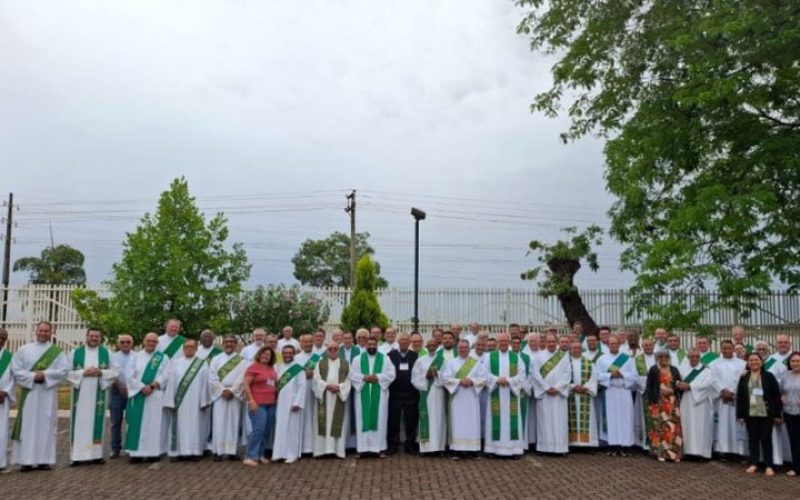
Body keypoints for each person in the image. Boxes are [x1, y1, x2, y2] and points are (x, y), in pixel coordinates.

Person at [10, 321, 69, 471]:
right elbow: (16, 370)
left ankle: (44, 460)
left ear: (51, 333)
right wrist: (33, 377)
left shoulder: (57, 352)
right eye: (41, 330)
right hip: (29, 393)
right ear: (36, 331)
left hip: (48, 394)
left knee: (46, 426)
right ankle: (26, 461)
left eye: (46, 331)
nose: (43, 333)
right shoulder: (24, 350)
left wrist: (45, 375)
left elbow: (64, 371)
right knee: (28, 425)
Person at [67, 328, 118, 465]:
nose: (94, 338)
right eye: (92, 336)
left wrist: (101, 372)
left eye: (97, 336)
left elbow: (115, 372)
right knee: (80, 423)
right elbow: (66, 372)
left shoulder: (106, 353)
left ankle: (96, 455)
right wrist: (83, 372)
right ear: (86, 336)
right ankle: (77, 456)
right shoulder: (75, 352)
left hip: (98, 395)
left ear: (100, 338)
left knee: (97, 423)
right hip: (81, 395)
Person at [125, 332, 169, 462]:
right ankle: (135, 454)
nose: (151, 343)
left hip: (155, 395)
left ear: (157, 343)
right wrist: (141, 387)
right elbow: (129, 375)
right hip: (139, 394)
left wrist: (153, 385)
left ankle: (152, 453)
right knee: (135, 424)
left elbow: (166, 374)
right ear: (144, 341)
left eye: (154, 342)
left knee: (154, 424)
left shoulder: (163, 357)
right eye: (149, 341)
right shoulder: (135, 357)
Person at [736, 352, 782, 476]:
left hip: (766, 413)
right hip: (750, 413)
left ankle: (768, 465)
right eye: (751, 360)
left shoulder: (769, 376)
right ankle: (753, 463)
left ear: (761, 362)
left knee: (766, 439)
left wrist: (777, 414)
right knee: (753, 439)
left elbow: (776, 395)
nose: (754, 362)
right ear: (748, 363)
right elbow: (740, 397)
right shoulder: (744, 377)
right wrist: (740, 415)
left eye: (756, 360)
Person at [164, 339, 210, 460]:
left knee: (196, 426)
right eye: (186, 347)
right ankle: (177, 453)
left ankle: (194, 452)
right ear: (183, 349)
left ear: (196, 349)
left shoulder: (202, 364)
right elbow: (171, 383)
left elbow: (206, 384)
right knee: (179, 426)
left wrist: (204, 400)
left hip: (196, 402)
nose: (189, 349)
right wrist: (169, 400)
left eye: (192, 347)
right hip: (179, 402)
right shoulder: (176, 363)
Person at [350, 337, 396, 457]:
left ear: (377, 345)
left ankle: (380, 449)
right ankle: (362, 449)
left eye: (374, 344)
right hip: (362, 395)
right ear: (366, 345)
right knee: (361, 419)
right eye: (369, 344)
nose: (371, 346)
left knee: (380, 419)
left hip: (379, 395)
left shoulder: (385, 359)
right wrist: (363, 377)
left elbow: (392, 373)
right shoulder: (357, 359)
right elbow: (352, 374)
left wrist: (378, 377)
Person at [483, 332, 526, 457]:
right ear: (497, 343)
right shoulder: (489, 357)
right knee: (494, 419)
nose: (503, 344)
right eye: (501, 341)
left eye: (505, 341)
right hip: (495, 392)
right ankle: (492, 449)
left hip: (510, 393)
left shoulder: (516, 357)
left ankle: (514, 450)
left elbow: (522, 374)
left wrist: (509, 380)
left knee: (511, 420)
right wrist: (497, 379)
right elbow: (484, 373)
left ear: (509, 343)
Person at [442, 339, 486, 458]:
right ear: (457, 349)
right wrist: (459, 381)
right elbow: (445, 378)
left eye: (465, 347)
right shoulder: (451, 363)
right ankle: (457, 450)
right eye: (460, 347)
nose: (463, 349)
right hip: (457, 397)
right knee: (458, 422)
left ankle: (473, 450)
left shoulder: (476, 363)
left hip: (472, 397)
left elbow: (483, 378)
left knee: (472, 422)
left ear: (469, 349)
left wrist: (472, 381)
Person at [596, 335, 638, 456]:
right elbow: (598, 375)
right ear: (608, 345)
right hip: (610, 391)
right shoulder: (602, 359)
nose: (613, 345)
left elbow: (634, 375)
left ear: (619, 345)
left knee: (626, 418)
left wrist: (622, 374)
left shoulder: (627, 359)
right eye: (611, 343)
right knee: (612, 418)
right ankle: (613, 445)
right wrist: (610, 376)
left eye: (616, 343)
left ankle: (626, 446)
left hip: (624, 391)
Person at [208, 334, 247, 461]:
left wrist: (233, 391)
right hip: (220, 395)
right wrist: (222, 390)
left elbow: (242, 378)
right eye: (226, 342)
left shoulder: (242, 360)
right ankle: (217, 451)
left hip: (234, 395)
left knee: (234, 423)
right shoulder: (216, 359)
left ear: (236, 344)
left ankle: (232, 451)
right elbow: (212, 378)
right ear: (222, 344)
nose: (229, 344)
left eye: (232, 342)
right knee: (218, 423)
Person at [532, 333, 571, 454]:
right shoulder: (538, 356)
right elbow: (535, 374)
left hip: (558, 395)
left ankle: (561, 448)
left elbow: (567, 375)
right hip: (545, 394)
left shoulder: (564, 357)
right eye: (549, 342)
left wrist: (557, 388)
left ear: (557, 342)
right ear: (545, 343)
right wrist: (546, 387)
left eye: (553, 341)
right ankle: (544, 448)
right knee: (545, 422)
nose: (551, 344)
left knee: (560, 421)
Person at [312, 341, 351, 458]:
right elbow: (315, 380)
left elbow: (349, 380)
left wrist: (339, 387)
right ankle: (321, 451)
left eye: (335, 349)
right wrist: (326, 386)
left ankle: (338, 451)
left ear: (339, 350)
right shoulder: (319, 363)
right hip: (324, 397)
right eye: (330, 349)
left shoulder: (346, 363)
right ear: (327, 350)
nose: (333, 351)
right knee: (323, 423)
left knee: (339, 423)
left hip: (339, 396)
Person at [242, 346, 278, 466]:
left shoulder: (271, 368)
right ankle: (250, 456)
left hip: (271, 403)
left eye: (268, 354)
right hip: (258, 404)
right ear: (259, 354)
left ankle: (260, 454)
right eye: (264, 354)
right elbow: (246, 385)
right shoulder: (253, 368)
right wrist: (251, 400)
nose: (266, 356)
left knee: (267, 431)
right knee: (258, 430)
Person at [645, 351, 683, 462]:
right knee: (659, 429)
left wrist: (672, 390)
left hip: (672, 404)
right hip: (659, 403)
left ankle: (674, 454)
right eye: (661, 356)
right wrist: (651, 403)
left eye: (666, 356)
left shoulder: (674, 370)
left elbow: (679, 384)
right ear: (657, 358)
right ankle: (660, 453)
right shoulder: (653, 370)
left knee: (673, 429)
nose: (663, 358)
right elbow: (649, 387)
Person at [712, 340, 747, 458]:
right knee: (722, 424)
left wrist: (732, 393)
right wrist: (722, 390)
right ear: (721, 349)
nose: (727, 350)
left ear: (733, 349)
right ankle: (723, 450)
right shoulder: (715, 363)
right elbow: (713, 379)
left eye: (729, 348)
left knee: (737, 424)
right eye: (724, 348)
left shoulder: (742, 363)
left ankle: (739, 451)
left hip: (735, 399)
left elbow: (741, 380)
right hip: (721, 399)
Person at [678, 350, 715, 460]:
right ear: (688, 357)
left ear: (699, 357)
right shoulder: (682, 369)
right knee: (686, 425)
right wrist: (679, 384)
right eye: (691, 356)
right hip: (686, 401)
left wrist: (690, 386)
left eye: (696, 356)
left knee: (702, 426)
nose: (694, 358)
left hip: (701, 402)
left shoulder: (706, 370)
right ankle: (688, 452)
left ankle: (702, 453)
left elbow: (708, 384)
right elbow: (676, 380)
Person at [272, 346, 306, 464]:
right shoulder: (278, 367)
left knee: (292, 428)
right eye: (285, 353)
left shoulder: (298, 368)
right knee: (280, 427)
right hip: (280, 402)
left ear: (294, 354)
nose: (287, 355)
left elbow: (302, 386)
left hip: (292, 402)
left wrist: (297, 402)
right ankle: (279, 453)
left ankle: (293, 454)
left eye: (290, 353)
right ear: (282, 354)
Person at [412, 338, 446, 455]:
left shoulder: (442, 360)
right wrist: (425, 376)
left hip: (438, 393)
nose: (431, 346)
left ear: (437, 345)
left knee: (438, 419)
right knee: (426, 418)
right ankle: (425, 449)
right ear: (426, 346)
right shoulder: (420, 360)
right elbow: (414, 378)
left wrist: (437, 374)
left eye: (434, 344)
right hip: (425, 392)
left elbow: (446, 377)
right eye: (429, 344)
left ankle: (438, 447)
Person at [386, 333, 419, 455]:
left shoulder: (415, 356)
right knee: (393, 420)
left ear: (410, 342)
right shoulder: (390, 355)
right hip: (395, 393)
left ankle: (410, 445)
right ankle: (393, 445)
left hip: (411, 393)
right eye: (402, 340)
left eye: (406, 340)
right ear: (398, 342)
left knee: (411, 421)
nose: (404, 342)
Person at [764, 334, 792, 468]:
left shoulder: (794, 357)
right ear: (775, 344)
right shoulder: (771, 359)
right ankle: (780, 458)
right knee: (776, 431)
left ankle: (792, 458)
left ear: (790, 343)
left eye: (785, 342)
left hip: (792, 398)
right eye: (780, 342)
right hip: (775, 399)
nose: (782, 344)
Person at [567, 340, 599, 448]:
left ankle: (588, 444)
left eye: (578, 348)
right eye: (574, 348)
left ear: (582, 349)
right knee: (571, 419)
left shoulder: (589, 363)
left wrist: (585, 388)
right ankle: (573, 443)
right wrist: (572, 387)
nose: (576, 350)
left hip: (585, 395)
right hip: (571, 396)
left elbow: (594, 379)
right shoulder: (566, 363)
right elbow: (563, 379)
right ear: (570, 349)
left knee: (587, 420)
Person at [295, 334, 321, 456]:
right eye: (305, 342)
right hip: (301, 394)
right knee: (302, 418)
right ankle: (301, 447)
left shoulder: (319, 358)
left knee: (314, 418)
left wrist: (313, 374)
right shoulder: (296, 358)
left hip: (314, 392)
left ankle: (314, 447)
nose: (308, 344)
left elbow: (323, 374)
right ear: (301, 343)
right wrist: (303, 374)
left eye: (310, 341)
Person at [109, 334, 133, 459]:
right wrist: (119, 386)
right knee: (115, 422)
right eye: (122, 342)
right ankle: (115, 448)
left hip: (133, 393)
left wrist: (130, 388)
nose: (125, 344)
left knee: (132, 421)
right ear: (118, 344)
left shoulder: (137, 356)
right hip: (116, 392)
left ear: (132, 343)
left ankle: (130, 448)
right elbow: (110, 374)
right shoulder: (112, 357)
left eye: (128, 342)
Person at [633, 338, 656, 450]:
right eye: (645, 345)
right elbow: (634, 376)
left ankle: (656, 442)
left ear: (653, 346)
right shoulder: (637, 359)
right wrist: (645, 385)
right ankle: (645, 444)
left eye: (650, 345)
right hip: (643, 393)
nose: (648, 347)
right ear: (642, 347)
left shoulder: (660, 358)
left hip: (657, 394)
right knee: (643, 417)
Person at [780, 352, 800, 477]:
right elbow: (781, 390)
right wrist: (782, 397)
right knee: (794, 441)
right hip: (789, 412)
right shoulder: (785, 376)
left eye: (798, 361)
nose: (795, 363)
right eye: (793, 361)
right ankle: (796, 467)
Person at [0, 328, 14, 471]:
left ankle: (0, 462)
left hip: (2, 400)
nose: (1, 340)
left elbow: (13, 377)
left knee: (2, 431)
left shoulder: (10, 356)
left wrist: (6, 392)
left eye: (3, 338)